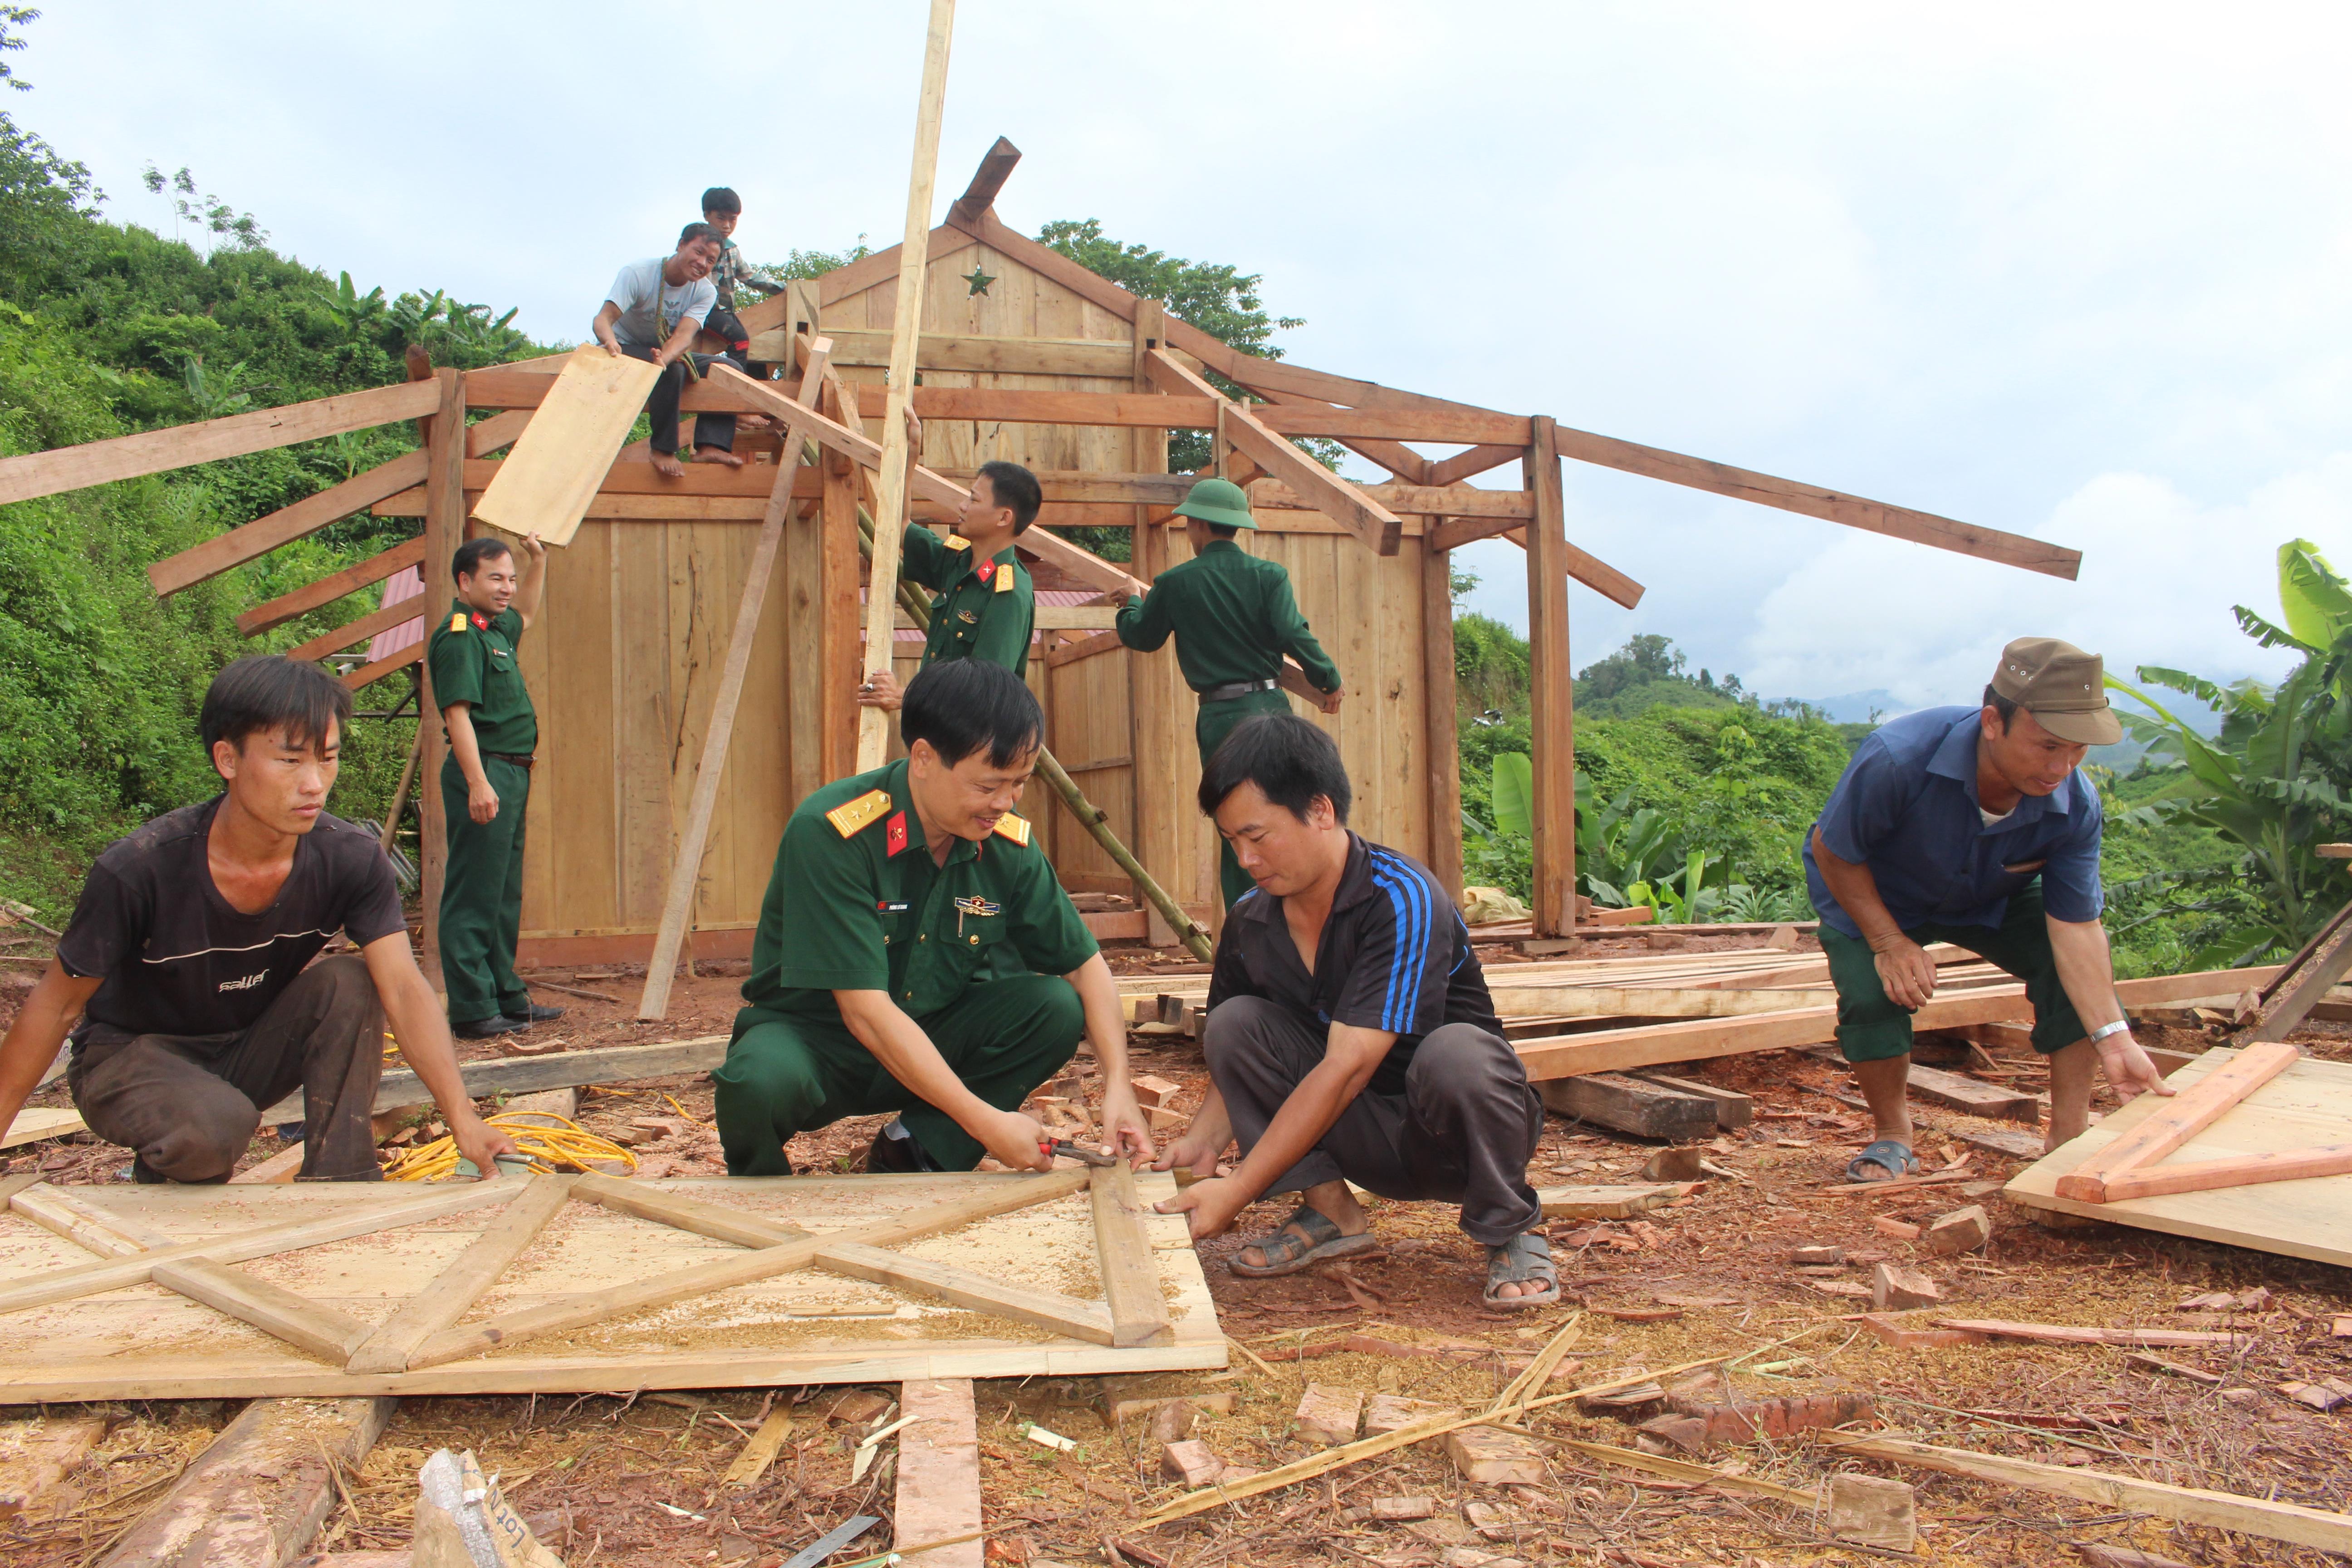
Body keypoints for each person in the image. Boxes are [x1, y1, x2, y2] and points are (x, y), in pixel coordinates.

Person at [0, 658, 519, 1183]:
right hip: (129, 1059)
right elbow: (56, 1007)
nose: (315, 784)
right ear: (228, 758)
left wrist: (462, 1117)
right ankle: (178, 1150)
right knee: (214, 1129)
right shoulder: (141, 869)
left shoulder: (350, 859)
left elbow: (406, 990)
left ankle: (341, 1183)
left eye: (328, 759)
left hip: (244, 1047)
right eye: (290, 761)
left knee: (352, 981)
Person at [1152, 714, 1556, 1310]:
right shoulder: (1249, 919)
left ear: (1320, 810)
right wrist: (1203, 1142)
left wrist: (1237, 1190)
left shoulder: (1403, 896)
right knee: (1235, 1022)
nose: (1245, 859)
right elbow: (1246, 1051)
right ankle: (1331, 1215)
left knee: (1457, 1054)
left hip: (1449, 1136)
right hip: (1357, 1137)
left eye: (1258, 837)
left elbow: (1346, 1068)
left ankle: (1510, 1227)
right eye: (1231, 841)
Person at [713, 658, 1153, 1176]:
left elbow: (1085, 967)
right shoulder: (833, 832)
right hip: (821, 1044)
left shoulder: (1006, 845)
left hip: (933, 1038)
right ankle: (759, 1189)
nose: (1005, 804)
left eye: (1020, 783)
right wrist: (989, 1124)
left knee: (1054, 1007)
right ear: (923, 758)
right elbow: (865, 1013)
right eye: (988, 786)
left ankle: (917, 1151)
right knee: (757, 1081)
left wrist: (1118, 1086)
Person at [1805, 636, 2174, 1183]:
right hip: (1881, 893)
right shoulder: (1897, 759)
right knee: (1869, 992)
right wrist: (1887, 942)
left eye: (2078, 751)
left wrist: (2114, 1036)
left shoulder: (2075, 807)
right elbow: (1834, 851)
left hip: (1991, 892)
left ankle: (2067, 1136)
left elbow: (2077, 926)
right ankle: (1893, 1136)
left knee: (2072, 974)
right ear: (1993, 722)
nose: (2061, 768)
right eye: (2048, 746)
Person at [1115, 477, 1345, 907]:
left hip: (1221, 719)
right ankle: (1302, 912)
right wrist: (1328, 680)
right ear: (1235, 526)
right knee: (1288, 812)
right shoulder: (1269, 576)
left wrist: (1130, 602)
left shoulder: (1176, 582)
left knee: (1235, 825)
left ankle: (1249, 924)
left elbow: (1142, 637)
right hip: (1274, 709)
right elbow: (1293, 633)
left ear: (1199, 526)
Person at [428, 533, 560, 1040]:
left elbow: (525, 614)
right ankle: (471, 1007)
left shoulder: (495, 628)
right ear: (465, 581)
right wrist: (478, 782)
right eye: (496, 578)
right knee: (474, 892)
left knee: (503, 891)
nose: (507, 588)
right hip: (483, 771)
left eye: (509, 578)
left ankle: (505, 993)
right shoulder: (461, 634)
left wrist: (538, 562)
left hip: (512, 771)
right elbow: (456, 713)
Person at [855, 461, 1044, 714]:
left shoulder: (1009, 593)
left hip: (968, 747)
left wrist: (904, 697)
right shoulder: (959, 560)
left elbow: (985, 695)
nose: (963, 506)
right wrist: (909, 460)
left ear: (1004, 517)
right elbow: (899, 526)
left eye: (974, 500)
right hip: (936, 737)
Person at [591, 222, 739, 478]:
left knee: (730, 369)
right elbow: (603, 319)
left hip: (663, 352)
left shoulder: (705, 291)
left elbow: (684, 336)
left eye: (711, 260)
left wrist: (664, 358)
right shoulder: (639, 274)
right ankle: (662, 449)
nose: (703, 263)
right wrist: (610, 342)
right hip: (624, 348)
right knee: (674, 371)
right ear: (681, 245)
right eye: (698, 252)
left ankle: (710, 444)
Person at [698, 186, 778, 313]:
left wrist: (785, 288)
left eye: (733, 219)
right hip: (698, 310)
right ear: (706, 215)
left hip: (724, 313)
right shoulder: (695, 246)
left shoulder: (732, 252)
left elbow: (751, 278)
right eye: (721, 218)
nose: (727, 225)